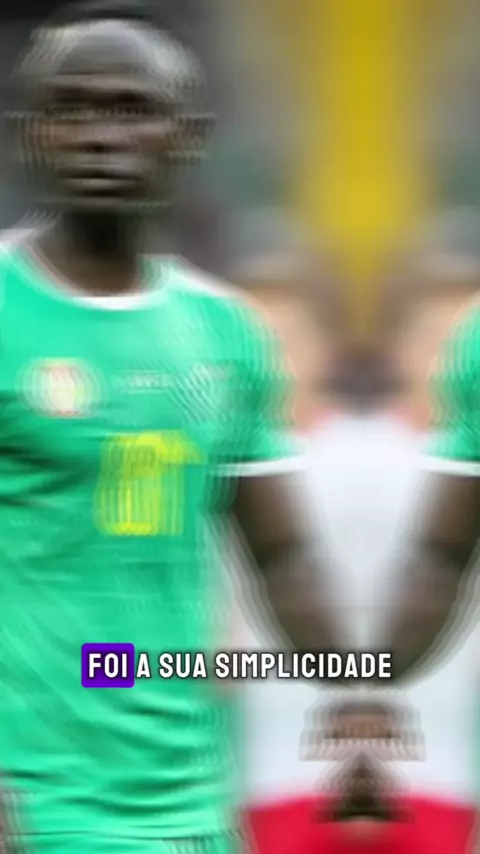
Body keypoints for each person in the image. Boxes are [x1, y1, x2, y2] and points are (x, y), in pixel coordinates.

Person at [0, 3, 344, 854]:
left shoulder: (225, 334)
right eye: (71, 110)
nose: (101, 136)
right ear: (28, 134)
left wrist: (355, 686)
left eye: (133, 110)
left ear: (189, 138)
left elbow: (283, 560)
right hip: (39, 808)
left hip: (194, 812)